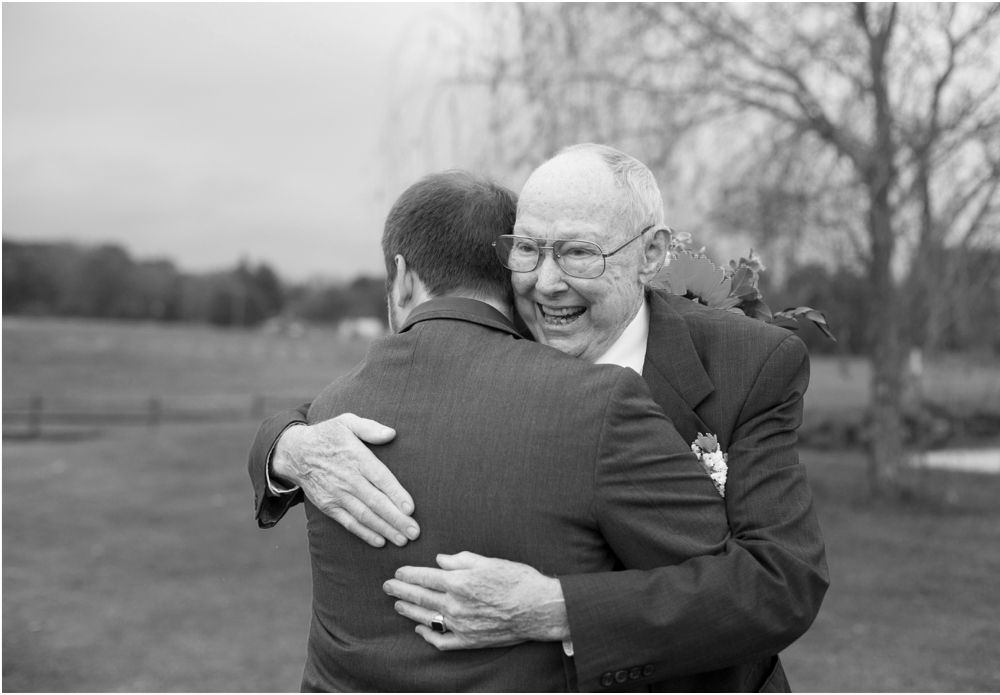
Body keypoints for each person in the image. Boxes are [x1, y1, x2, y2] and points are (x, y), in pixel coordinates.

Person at [248, 144, 829, 691]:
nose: (547, 283)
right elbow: (389, 392)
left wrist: (553, 608)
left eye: (579, 252)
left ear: (651, 255)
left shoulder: (748, 361)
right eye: (527, 249)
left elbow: (781, 582)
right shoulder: (514, 326)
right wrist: (289, 448)